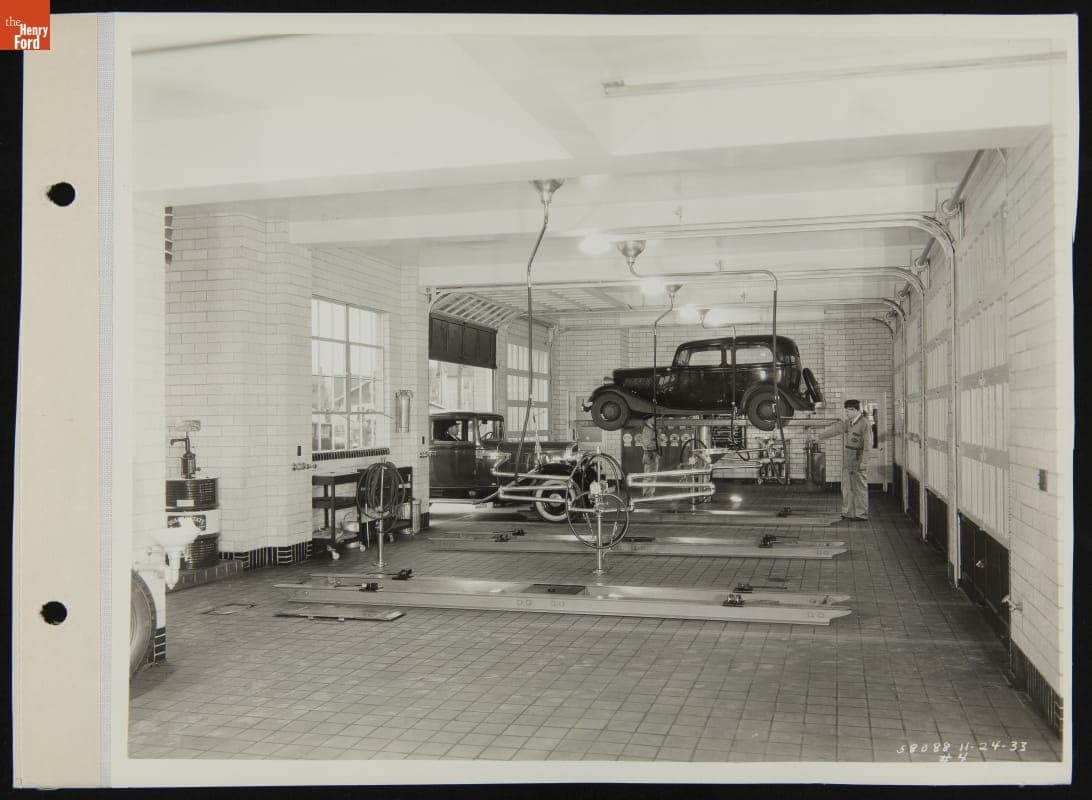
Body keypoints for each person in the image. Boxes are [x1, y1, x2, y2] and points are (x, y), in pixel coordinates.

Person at [813, 399, 870, 521]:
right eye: (846, 411)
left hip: (858, 458)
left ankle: (861, 514)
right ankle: (847, 512)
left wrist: (864, 462)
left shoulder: (865, 424)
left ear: (855, 410)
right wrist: (820, 437)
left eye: (848, 411)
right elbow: (836, 430)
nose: (846, 414)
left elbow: (868, 446)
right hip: (848, 457)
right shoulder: (849, 423)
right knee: (846, 486)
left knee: (860, 487)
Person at [638, 417, 660, 497]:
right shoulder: (646, 429)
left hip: (654, 454)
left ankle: (650, 493)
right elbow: (647, 444)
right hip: (649, 454)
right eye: (653, 418)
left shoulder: (653, 429)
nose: (655, 420)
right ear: (649, 419)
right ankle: (646, 494)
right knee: (648, 475)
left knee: (653, 475)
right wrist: (656, 442)